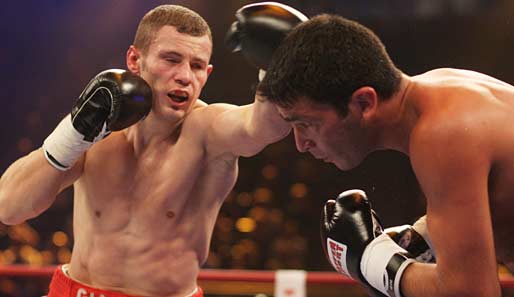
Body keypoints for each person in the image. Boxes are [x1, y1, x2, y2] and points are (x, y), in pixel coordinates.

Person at [0, 3, 308, 297]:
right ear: (135, 61)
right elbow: (10, 207)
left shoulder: (208, 131)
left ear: (208, 74)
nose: (186, 76)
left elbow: (263, 126)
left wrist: (277, 66)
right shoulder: (97, 125)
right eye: (172, 60)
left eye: (197, 66)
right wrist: (73, 133)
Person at [258, 13, 514, 297]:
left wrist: (371, 259)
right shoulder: (443, 91)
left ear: (364, 102)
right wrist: (418, 240)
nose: (301, 143)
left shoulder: (443, 134)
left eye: (306, 124)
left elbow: (470, 292)